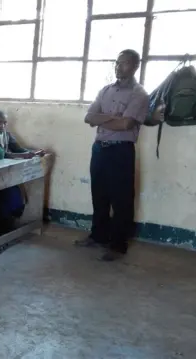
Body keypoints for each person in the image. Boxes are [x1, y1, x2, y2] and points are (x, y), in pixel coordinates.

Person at [76, 49, 150, 262]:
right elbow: (89, 117)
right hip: (100, 148)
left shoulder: (139, 94)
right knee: (99, 194)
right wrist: (112, 117)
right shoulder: (105, 90)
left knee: (121, 199)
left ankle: (118, 245)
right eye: (117, 63)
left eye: (124, 63)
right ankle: (98, 236)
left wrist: (104, 119)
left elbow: (126, 124)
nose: (119, 67)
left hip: (121, 150)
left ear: (135, 66)